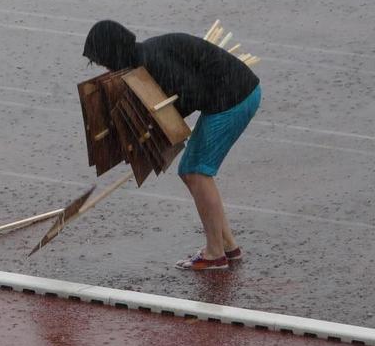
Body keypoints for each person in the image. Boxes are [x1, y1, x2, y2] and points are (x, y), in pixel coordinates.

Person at [82, 20, 262, 271]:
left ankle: (215, 255)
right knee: (194, 171)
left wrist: (162, 129)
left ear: (113, 53)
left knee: (196, 172)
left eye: (103, 60)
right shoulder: (143, 58)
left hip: (234, 98)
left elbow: (192, 95)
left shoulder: (153, 62)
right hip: (234, 93)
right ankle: (228, 246)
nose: (105, 68)